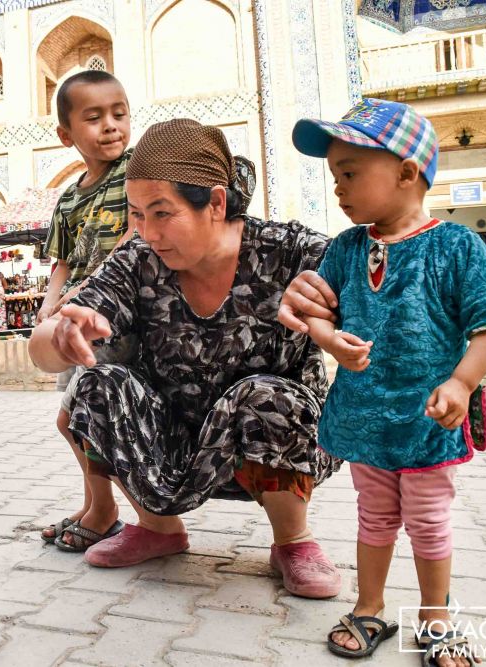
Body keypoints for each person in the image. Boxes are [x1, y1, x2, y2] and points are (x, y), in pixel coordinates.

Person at [29, 119, 343, 600]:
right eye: (137, 214)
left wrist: (333, 298)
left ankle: (292, 541)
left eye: (162, 213)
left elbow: (383, 289)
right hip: (172, 434)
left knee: (265, 396)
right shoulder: (139, 258)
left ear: (216, 203)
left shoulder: (288, 250)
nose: (148, 232)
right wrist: (63, 334)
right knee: (95, 385)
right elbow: (46, 345)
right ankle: (158, 528)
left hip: (270, 441)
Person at [290, 98, 486, 663]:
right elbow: (321, 309)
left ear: (407, 173)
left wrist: (462, 383)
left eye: (349, 173)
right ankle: (370, 607)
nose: (338, 189)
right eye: (335, 176)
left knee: (429, 519)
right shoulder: (345, 248)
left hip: (426, 421)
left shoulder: (456, 246)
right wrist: (326, 336)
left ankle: (437, 619)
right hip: (367, 418)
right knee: (375, 516)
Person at [33, 70, 138, 548]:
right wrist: (49, 308)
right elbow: (64, 261)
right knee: (73, 417)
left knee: (82, 415)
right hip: (75, 323)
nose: (111, 126)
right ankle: (98, 506)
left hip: (117, 317)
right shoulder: (70, 198)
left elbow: (137, 239)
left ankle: (110, 511)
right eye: (94, 118)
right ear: (66, 134)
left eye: (119, 114)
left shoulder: (138, 171)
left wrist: (96, 289)